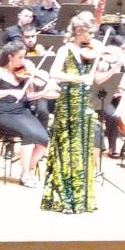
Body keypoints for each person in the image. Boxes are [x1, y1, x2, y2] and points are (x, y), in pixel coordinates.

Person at [41, 11, 99, 213]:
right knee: (66, 150)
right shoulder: (65, 50)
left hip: (84, 105)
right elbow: (54, 73)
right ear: (80, 31)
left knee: (82, 149)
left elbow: (95, 79)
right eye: (90, 33)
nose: (92, 37)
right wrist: (78, 79)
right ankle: (65, 198)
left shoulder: (90, 51)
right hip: (67, 105)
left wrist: (115, 63)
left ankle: (81, 199)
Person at [0, 39, 52, 187]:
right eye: (20, 57)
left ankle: (27, 170)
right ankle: (26, 175)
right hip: (4, 113)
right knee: (29, 135)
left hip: (22, 111)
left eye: (24, 57)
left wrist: (43, 91)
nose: (23, 60)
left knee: (44, 140)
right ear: (10, 57)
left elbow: (29, 96)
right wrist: (10, 91)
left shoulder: (23, 73)